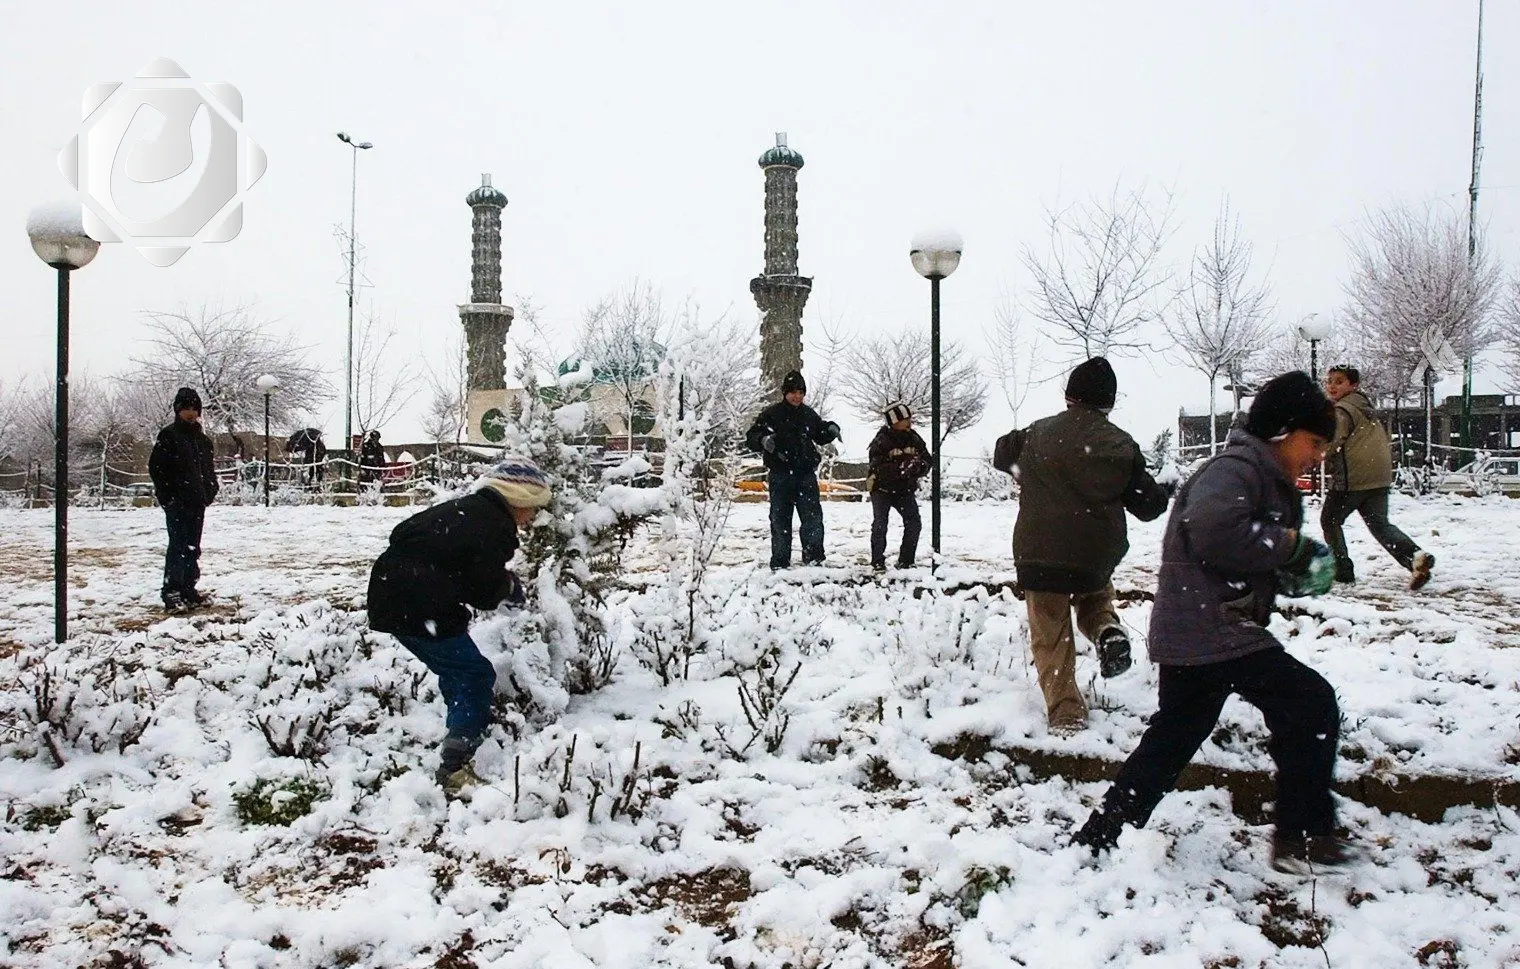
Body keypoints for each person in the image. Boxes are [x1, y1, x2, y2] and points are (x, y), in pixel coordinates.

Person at [1073, 372, 1356, 874]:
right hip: (1215, 628)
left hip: (1198, 629)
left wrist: (1291, 576)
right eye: (1314, 442)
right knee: (1309, 705)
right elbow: (1212, 529)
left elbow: (1239, 551)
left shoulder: (1259, 475)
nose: (1318, 455)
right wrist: (1289, 547)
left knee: (1173, 739)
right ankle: (1303, 836)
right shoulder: (1237, 470)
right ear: (1283, 430)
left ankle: (1102, 834)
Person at [993, 357, 1169, 733]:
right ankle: (1106, 630)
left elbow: (1001, 454)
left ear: (1069, 395)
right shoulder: (1121, 445)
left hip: (1040, 552)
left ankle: (1067, 713)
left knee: (1051, 631)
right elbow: (1148, 507)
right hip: (1093, 553)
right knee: (1094, 598)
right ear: (1109, 401)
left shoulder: (1037, 434)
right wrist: (1162, 489)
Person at [366, 457, 552, 794]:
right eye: (534, 508)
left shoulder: (468, 510)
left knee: (458, 669)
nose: (533, 518)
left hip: (395, 593)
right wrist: (507, 588)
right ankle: (457, 764)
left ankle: (463, 727)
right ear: (519, 499)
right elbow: (482, 590)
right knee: (473, 674)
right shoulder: (493, 526)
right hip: (419, 604)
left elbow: (411, 537)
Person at [1321, 365, 1434, 590]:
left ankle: (1341, 571)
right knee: (1379, 524)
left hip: (1353, 479)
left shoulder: (1343, 410)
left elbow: (1331, 442)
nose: (1332, 385)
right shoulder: (1366, 408)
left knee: (1330, 521)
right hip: (1378, 477)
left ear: (1353, 385)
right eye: (1330, 380)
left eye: (1339, 381)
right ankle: (1415, 558)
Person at [745, 370, 842, 569]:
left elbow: (820, 433)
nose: (797, 396)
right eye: (793, 392)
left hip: (805, 475)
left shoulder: (808, 414)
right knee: (780, 521)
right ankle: (780, 562)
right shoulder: (771, 414)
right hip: (781, 475)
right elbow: (751, 437)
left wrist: (831, 429)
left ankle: (814, 558)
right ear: (785, 393)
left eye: (801, 392)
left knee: (812, 519)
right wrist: (763, 440)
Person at [148, 387, 219, 612]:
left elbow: (208, 471)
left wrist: (209, 490)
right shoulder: (169, 436)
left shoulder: (203, 442)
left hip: (197, 502)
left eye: (194, 408)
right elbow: (157, 468)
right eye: (186, 408)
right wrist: (167, 497)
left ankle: (189, 588)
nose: (190, 413)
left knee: (192, 547)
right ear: (178, 410)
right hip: (177, 503)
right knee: (178, 545)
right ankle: (172, 591)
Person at [866, 402, 930, 571]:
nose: (909, 422)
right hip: (882, 490)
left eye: (909, 418)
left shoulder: (914, 438)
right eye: (904, 419)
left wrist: (918, 467)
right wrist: (901, 468)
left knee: (914, 522)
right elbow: (877, 467)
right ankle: (877, 561)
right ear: (894, 421)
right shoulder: (881, 441)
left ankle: (906, 561)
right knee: (880, 524)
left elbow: (927, 460)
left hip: (904, 490)